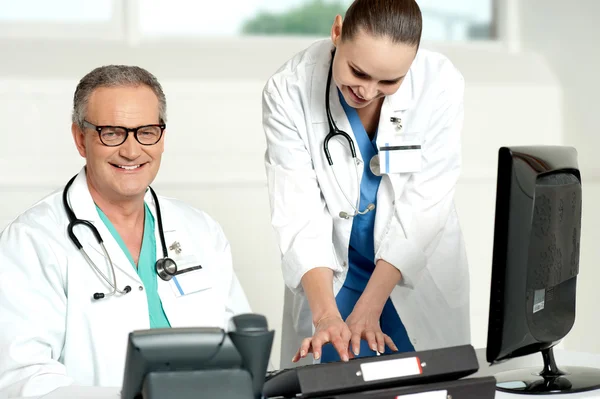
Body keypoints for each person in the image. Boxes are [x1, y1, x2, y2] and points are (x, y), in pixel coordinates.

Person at [0, 65, 251, 398]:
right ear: (80, 138)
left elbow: (242, 349)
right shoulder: (33, 240)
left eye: (146, 131)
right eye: (112, 132)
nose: (132, 151)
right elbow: (22, 379)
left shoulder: (201, 230)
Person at [262, 0, 470, 368]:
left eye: (389, 81)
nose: (368, 91)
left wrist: (370, 307)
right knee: (328, 379)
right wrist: (326, 316)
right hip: (330, 276)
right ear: (337, 32)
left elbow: (426, 204)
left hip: (408, 271)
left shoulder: (439, 83)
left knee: (427, 383)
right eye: (357, 72)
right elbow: (298, 212)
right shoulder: (289, 89)